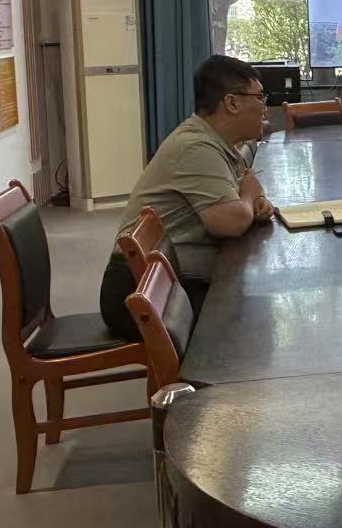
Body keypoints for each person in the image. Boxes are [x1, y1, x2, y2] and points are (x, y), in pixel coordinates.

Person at [97, 55, 275, 340]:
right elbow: (230, 222)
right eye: (259, 97)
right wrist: (249, 196)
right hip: (140, 292)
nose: (265, 107)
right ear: (232, 102)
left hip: (163, 279)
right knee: (250, 318)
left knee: (255, 303)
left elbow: (243, 192)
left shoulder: (217, 142)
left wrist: (252, 199)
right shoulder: (196, 147)